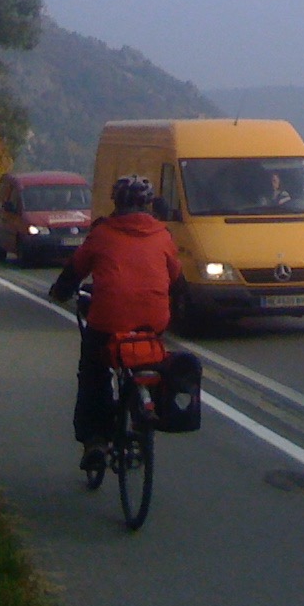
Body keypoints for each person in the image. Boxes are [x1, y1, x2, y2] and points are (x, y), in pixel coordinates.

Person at [49, 175, 181, 472]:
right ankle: (143, 410)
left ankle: (95, 439)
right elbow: (177, 279)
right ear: (148, 204)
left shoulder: (103, 233)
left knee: (93, 372)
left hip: (109, 320)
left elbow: (75, 269)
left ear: (116, 202)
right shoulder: (163, 235)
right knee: (148, 359)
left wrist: (60, 292)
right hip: (152, 321)